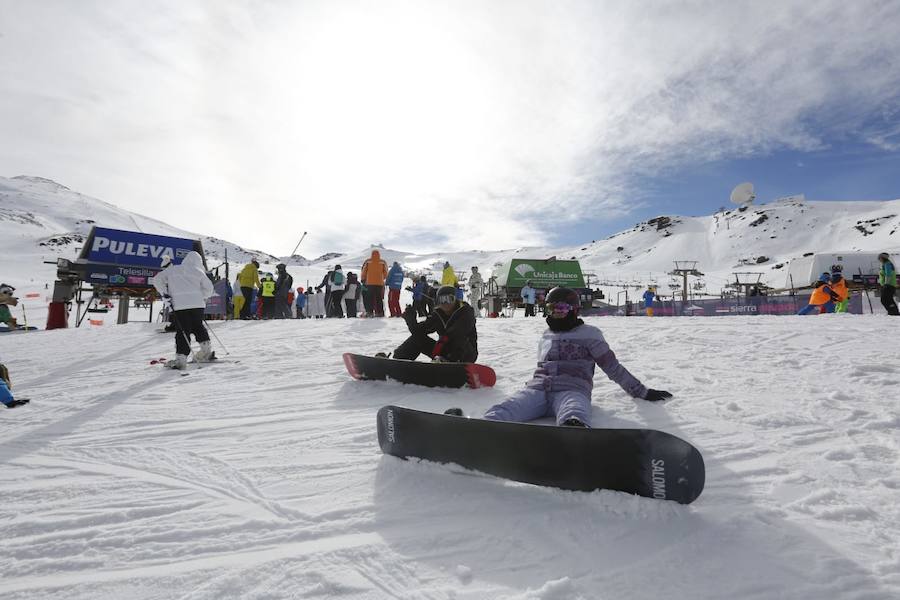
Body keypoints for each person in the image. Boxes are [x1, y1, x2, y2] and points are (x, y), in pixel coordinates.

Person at [448, 287, 670, 427]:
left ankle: (573, 433)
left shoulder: (590, 334)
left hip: (572, 389)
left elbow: (613, 368)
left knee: (574, 411)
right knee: (505, 409)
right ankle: (476, 430)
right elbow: (542, 366)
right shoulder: (547, 335)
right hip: (538, 389)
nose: (556, 314)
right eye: (552, 309)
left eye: (562, 309)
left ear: (574, 310)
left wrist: (641, 391)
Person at [151, 251, 215, 370]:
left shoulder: (173, 270)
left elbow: (156, 279)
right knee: (198, 326)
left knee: (183, 331)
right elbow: (209, 288)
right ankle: (206, 352)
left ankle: (181, 359)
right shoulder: (198, 271)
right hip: (198, 305)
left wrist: (164, 292)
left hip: (180, 306)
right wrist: (202, 297)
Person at [389, 285, 478, 363]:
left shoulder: (465, 311)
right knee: (417, 338)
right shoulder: (438, 315)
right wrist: (411, 320)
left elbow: (459, 330)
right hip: (444, 351)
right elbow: (419, 332)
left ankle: (453, 363)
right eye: (442, 300)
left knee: (458, 337)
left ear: (455, 299)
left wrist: (442, 343)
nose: (446, 303)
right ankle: (398, 361)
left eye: (449, 299)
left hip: (466, 354)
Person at [361, 250, 388, 317]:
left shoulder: (368, 261)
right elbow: (386, 273)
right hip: (379, 283)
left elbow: (364, 271)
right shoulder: (383, 262)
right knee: (379, 298)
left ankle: (370, 312)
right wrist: (382, 278)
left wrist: (363, 279)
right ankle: (380, 312)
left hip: (370, 283)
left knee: (370, 298)